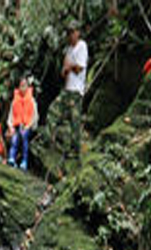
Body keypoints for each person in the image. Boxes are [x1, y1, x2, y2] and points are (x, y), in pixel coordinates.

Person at [55, 19, 88, 160]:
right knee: (57, 114)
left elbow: (80, 67)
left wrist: (69, 66)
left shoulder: (82, 46)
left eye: (73, 32)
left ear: (78, 33)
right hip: (67, 88)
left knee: (75, 120)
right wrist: (66, 68)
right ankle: (62, 146)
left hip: (76, 90)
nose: (70, 35)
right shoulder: (69, 49)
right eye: (69, 32)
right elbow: (64, 71)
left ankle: (76, 151)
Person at [6, 76, 38, 170]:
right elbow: (10, 118)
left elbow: (35, 117)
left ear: (28, 87)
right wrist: (10, 127)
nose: (23, 88)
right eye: (21, 86)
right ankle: (11, 158)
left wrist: (28, 126)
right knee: (14, 138)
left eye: (25, 86)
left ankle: (24, 161)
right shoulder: (14, 101)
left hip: (27, 126)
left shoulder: (32, 101)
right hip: (17, 126)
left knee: (24, 136)